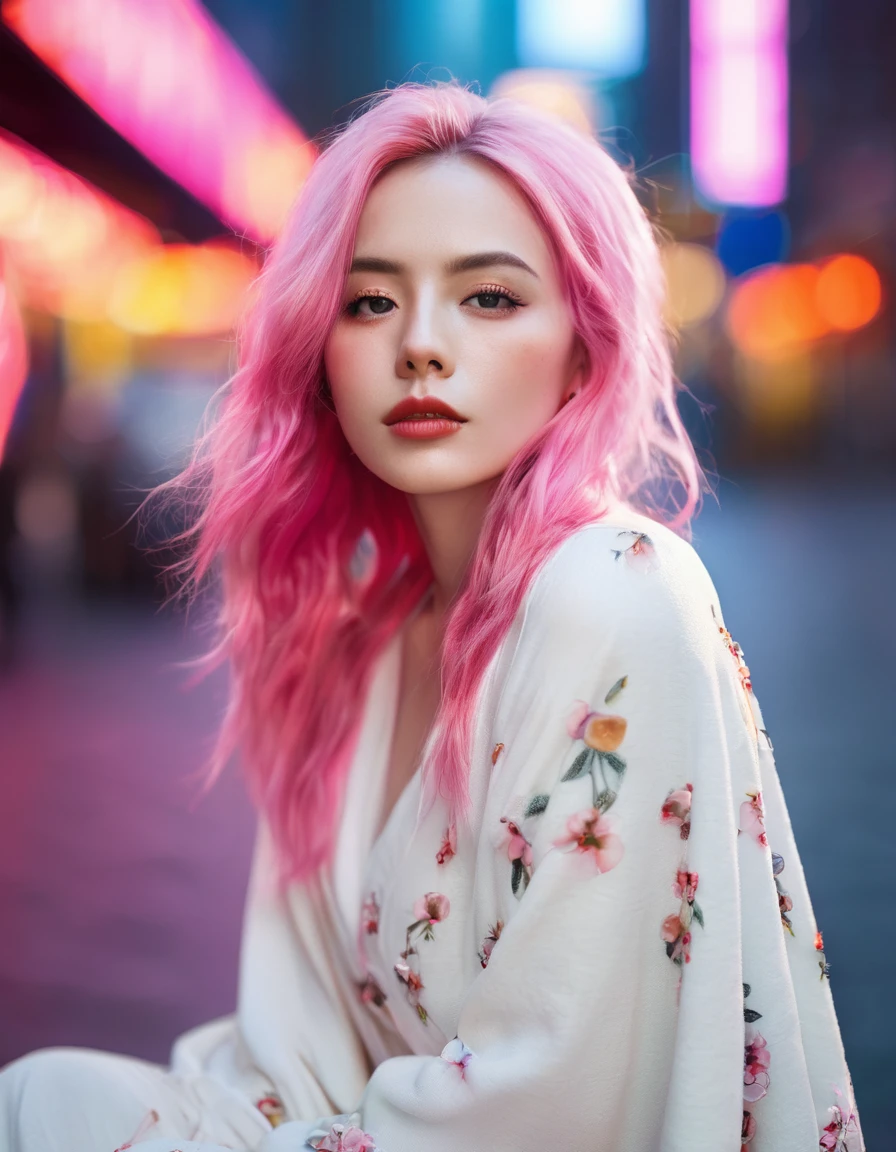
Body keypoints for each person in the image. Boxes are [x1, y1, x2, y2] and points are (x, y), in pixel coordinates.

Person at [0, 80, 864, 1152]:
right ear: (319, 354)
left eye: (488, 298)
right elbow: (300, 1052)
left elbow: (560, 1107)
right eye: (368, 301)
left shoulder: (617, 588)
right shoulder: (360, 633)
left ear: (582, 347)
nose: (418, 344)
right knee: (37, 1100)